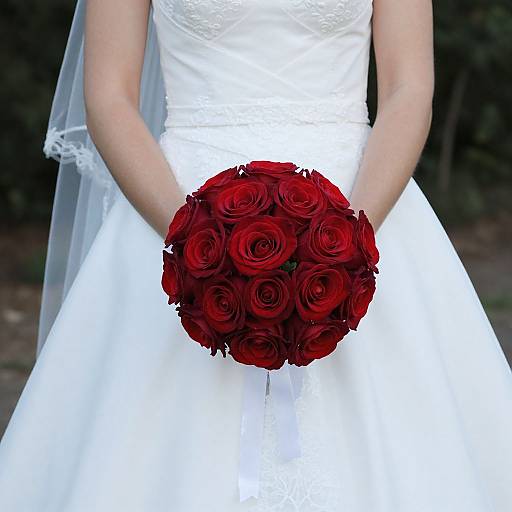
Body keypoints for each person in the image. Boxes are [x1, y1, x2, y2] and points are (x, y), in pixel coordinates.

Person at [1, 0, 512, 510]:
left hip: (360, 199)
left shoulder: (352, 230)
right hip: (176, 201)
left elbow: (409, 88)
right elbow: (109, 97)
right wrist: (194, 239)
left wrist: (347, 242)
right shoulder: (188, 230)